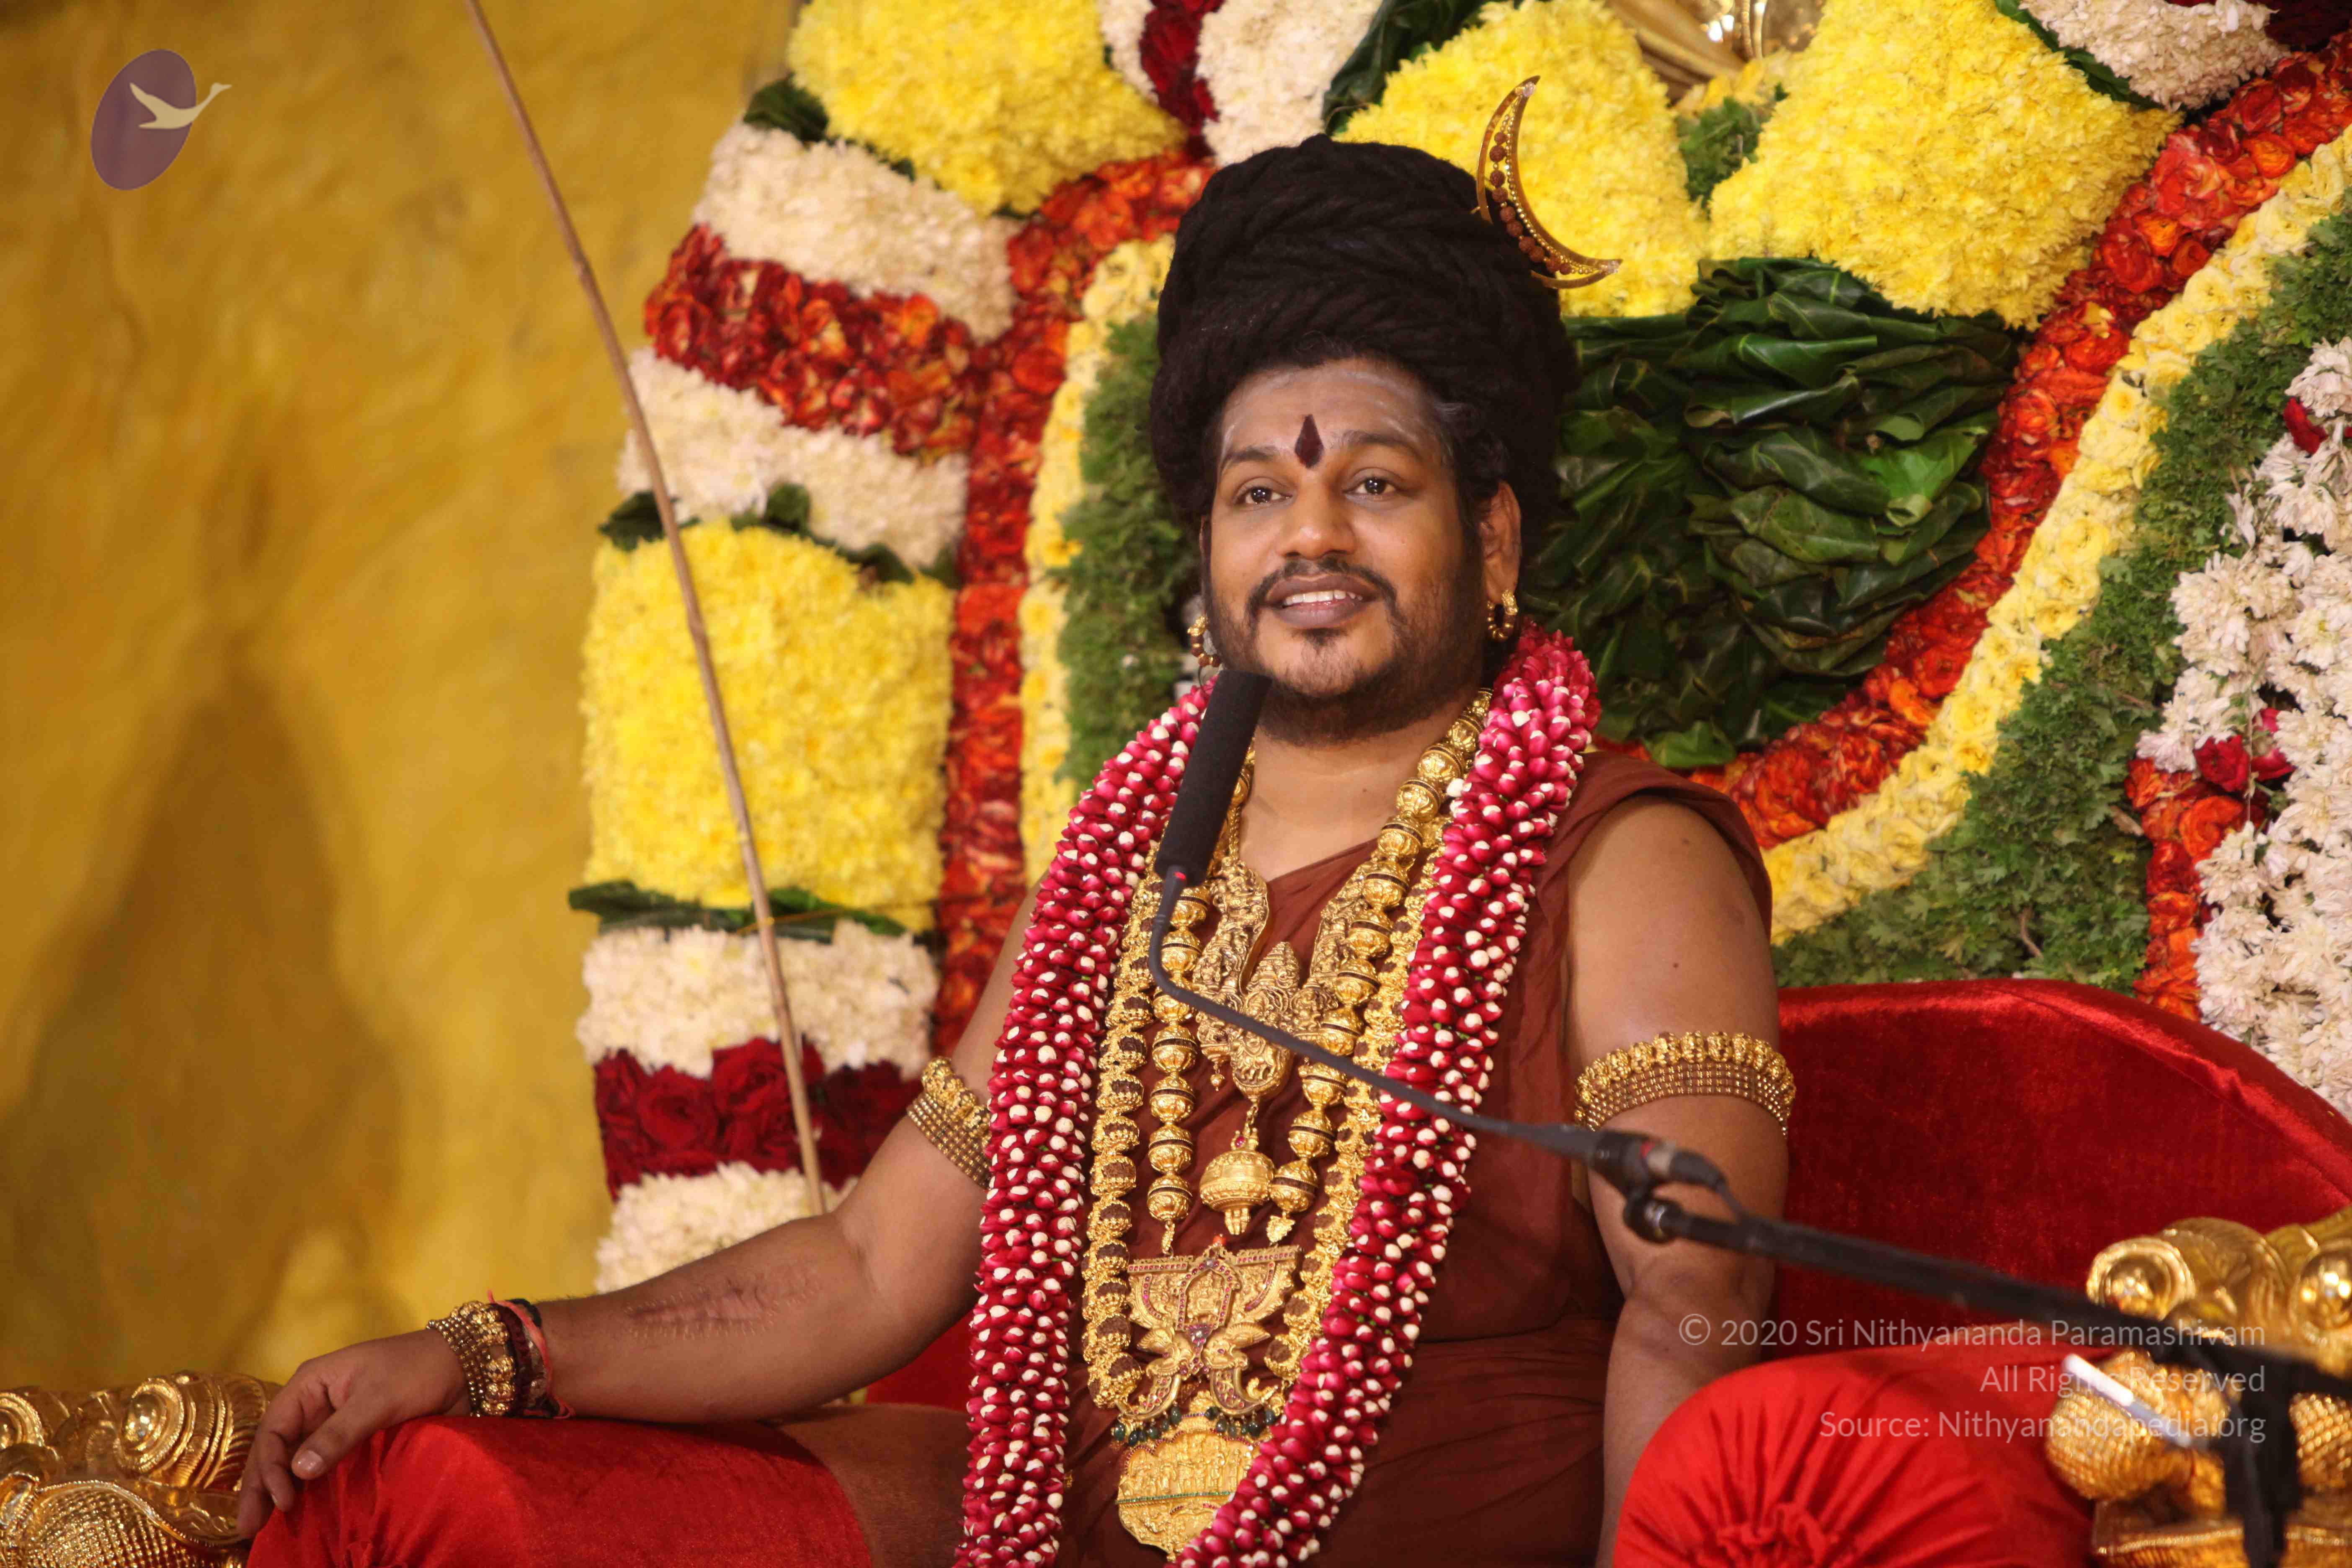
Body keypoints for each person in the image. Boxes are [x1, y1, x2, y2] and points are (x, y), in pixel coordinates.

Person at [235, 133, 1792, 1568]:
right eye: (1259, 492)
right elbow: (867, 1272)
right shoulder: (1124, 884)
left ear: (1495, 537)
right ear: (1210, 557)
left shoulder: (1620, 856)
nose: (1311, 536)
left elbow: (1700, 1300)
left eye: (1374, 485)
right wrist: (491, 1352)